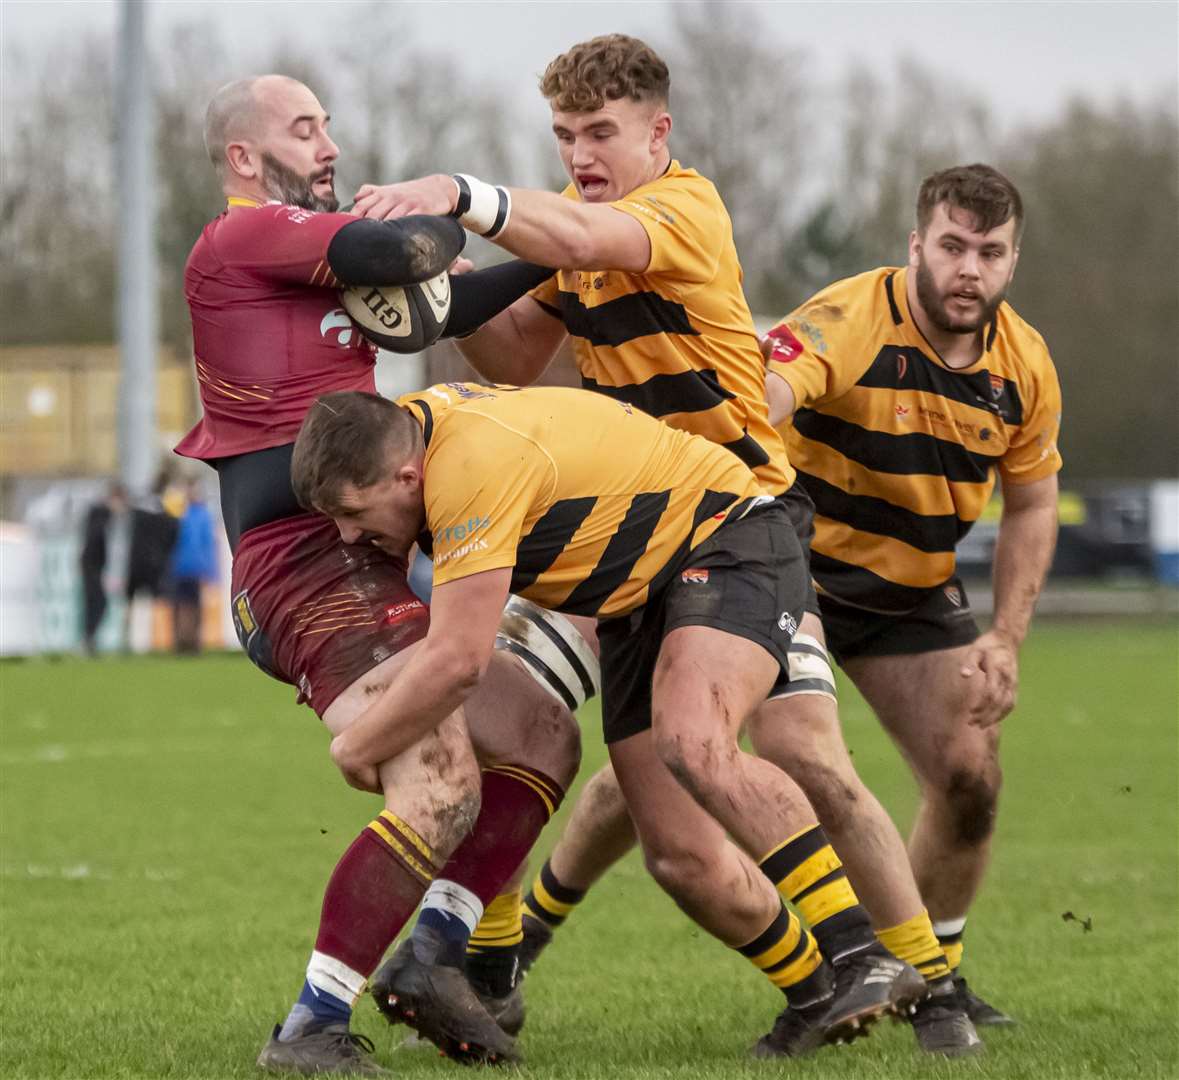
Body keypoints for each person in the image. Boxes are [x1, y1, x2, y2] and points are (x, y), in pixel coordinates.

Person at [352, 34, 957, 1056]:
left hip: (739, 519)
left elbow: (588, 238)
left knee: (714, 736)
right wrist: (432, 287)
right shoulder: (572, 230)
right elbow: (512, 353)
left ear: (656, 131)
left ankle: (888, 961)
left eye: (599, 131)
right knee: (675, 850)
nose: (579, 150)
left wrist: (457, 192)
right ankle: (818, 988)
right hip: (632, 550)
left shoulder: (680, 208)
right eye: (563, 133)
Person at [176, 74, 599, 1075]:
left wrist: (576, 254)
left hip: (369, 555)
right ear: (245, 157)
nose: (330, 145)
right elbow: (407, 253)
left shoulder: (323, 272)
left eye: (329, 125)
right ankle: (313, 1027)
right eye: (304, 128)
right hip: (303, 563)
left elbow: (440, 300)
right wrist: (446, 197)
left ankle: (434, 959)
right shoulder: (239, 237)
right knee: (444, 785)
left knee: (539, 738)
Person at [295, 382, 888, 1058]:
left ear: (405, 476)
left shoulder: (465, 467)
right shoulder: (413, 434)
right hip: (636, 593)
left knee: (695, 741)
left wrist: (355, 746)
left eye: (350, 513)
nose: (347, 535)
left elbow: (458, 659)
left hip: (729, 534)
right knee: (679, 856)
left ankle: (859, 951)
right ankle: (813, 993)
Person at [761, 162, 1061, 1028]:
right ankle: (514, 938)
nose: (969, 269)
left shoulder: (1025, 365)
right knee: (677, 769)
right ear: (916, 246)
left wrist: (1004, 637)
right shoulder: (849, 315)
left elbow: (1033, 500)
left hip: (912, 590)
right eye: (953, 247)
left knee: (971, 779)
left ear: (1012, 260)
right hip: (795, 577)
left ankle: (934, 976)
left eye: (990, 252)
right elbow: (766, 392)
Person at [168, 479, 218, 653]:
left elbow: (209, 544)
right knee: (178, 605)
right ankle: (179, 642)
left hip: (196, 567)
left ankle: (194, 642)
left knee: (194, 606)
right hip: (177, 567)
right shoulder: (177, 512)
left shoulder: (204, 514)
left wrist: (210, 571)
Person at [78, 482, 127, 655]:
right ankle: (88, 639)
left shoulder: (98, 512)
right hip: (91, 564)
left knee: (95, 602)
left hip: (93, 564)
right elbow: (95, 538)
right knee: (97, 602)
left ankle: (88, 639)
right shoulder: (102, 513)